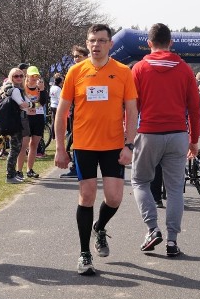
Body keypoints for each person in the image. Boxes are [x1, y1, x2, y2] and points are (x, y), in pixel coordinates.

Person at [53, 24, 138, 275]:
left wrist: (129, 144)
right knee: (87, 196)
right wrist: (60, 147)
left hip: (113, 146)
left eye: (102, 40)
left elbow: (132, 110)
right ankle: (84, 253)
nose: (96, 44)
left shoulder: (123, 72)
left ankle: (99, 227)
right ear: (87, 43)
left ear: (110, 44)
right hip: (84, 145)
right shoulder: (76, 71)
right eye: (92, 40)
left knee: (114, 198)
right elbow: (62, 112)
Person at [131, 23, 200, 257]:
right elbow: (194, 108)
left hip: (148, 133)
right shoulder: (184, 69)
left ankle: (152, 229)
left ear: (149, 43)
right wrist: (194, 139)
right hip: (178, 134)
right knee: (174, 190)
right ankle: (172, 241)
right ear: (171, 42)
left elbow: (131, 107)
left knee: (140, 181)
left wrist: (127, 137)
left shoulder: (139, 69)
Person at [60, 45, 89, 179]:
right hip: (75, 113)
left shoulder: (90, 71)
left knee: (76, 141)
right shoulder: (73, 72)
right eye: (74, 56)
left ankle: (78, 168)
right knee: (72, 140)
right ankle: (75, 168)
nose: (76, 59)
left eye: (78, 56)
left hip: (87, 115)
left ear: (86, 57)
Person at [3, 67, 30, 183]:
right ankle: (10, 175)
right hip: (16, 122)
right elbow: (23, 104)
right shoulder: (14, 90)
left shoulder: (16, 89)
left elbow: (26, 104)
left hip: (15, 121)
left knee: (16, 148)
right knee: (15, 149)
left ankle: (13, 173)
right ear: (11, 77)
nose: (19, 78)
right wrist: (29, 104)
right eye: (16, 76)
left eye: (21, 76)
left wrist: (28, 104)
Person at [20, 66, 48, 178]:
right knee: (23, 145)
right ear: (27, 76)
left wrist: (42, 90)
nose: (34, 78)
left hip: (38, 117)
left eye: (36, 76)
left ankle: (29, 169)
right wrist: (30, 107)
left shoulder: (40, 87)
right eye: (32, 76)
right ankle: (18, 171)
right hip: (26, 117)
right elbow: (21, 103)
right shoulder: (22, 87)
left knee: (34, 144)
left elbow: (43, 102)